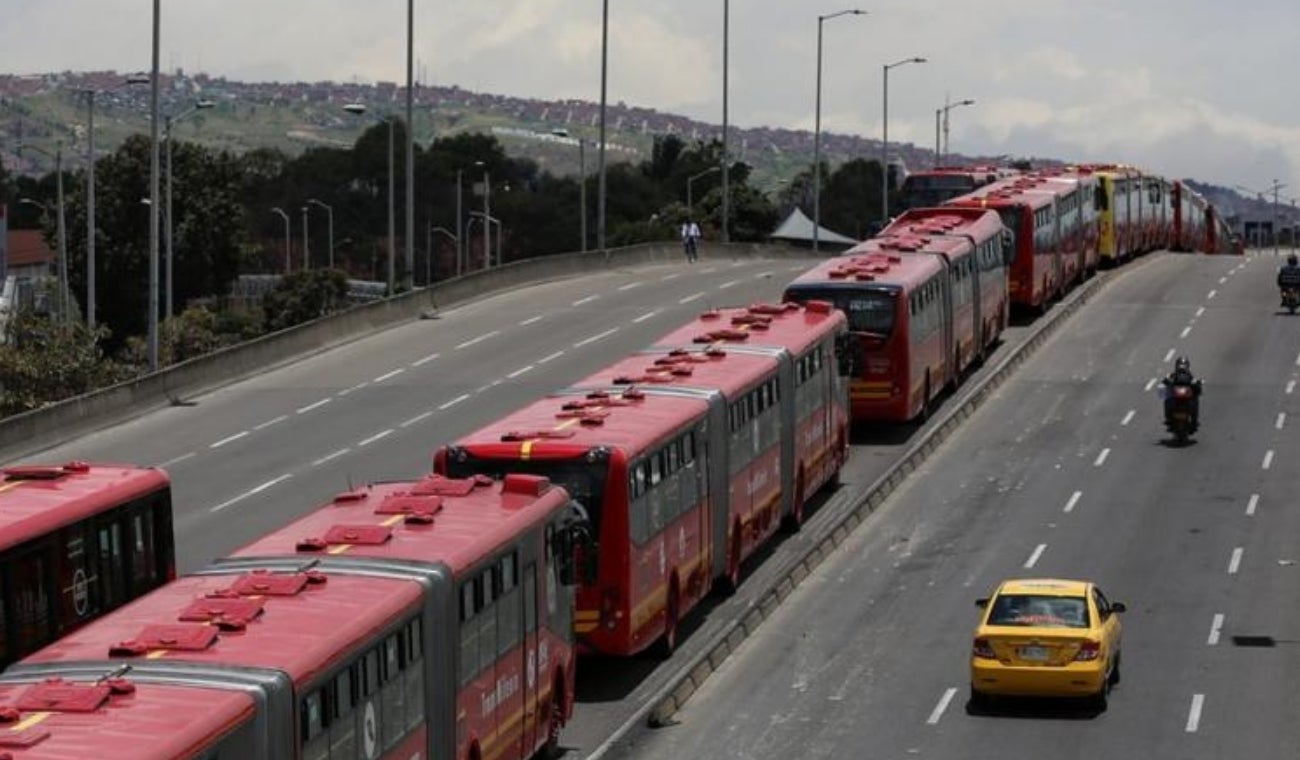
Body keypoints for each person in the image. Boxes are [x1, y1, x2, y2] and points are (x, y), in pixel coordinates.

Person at [1160, 356, 1202, 431]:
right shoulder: (1172, 375)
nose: (1182, 368)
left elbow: (1196, 383)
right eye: (1180, 365)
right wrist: (1166, 382)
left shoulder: (1190, 376)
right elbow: (1165, 380)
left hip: (1186, 399)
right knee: (1166, 397)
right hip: (1175, 398)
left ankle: (1194, 419)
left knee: (1195, 399)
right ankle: (1169, 417)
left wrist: (1198, 384)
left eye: (1183, 366)